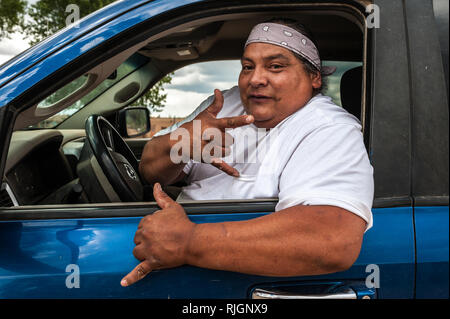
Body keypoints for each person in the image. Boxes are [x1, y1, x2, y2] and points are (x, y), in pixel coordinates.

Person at [120, 19, 374, 287]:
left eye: (275, 66)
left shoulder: (329, 128)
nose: (255, 79)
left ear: (314, 77)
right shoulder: (224, 105)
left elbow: (332, 240)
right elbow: (149, 169)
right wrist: (177, 144)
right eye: (247, 67)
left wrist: (188, 242)